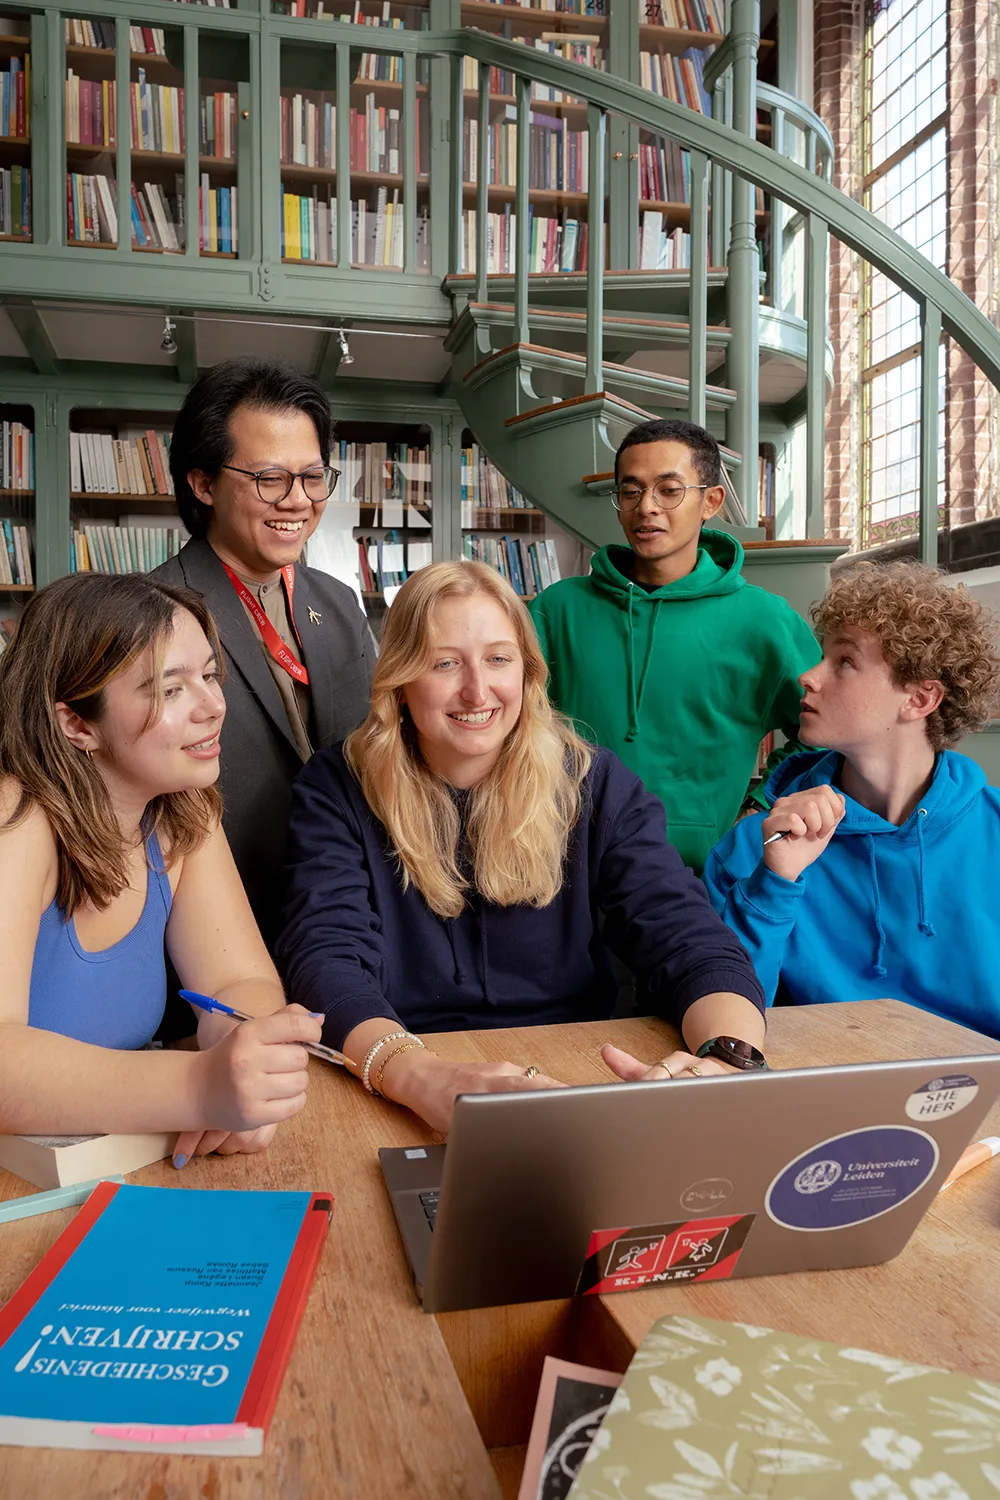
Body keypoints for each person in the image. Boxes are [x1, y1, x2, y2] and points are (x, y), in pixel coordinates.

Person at [277, 560, 767, 1133]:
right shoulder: (336, 785)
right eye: (443, 663)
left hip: (574, 1073)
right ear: (401, 680)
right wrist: (418, 1075)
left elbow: (688, 936)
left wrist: (730, 1060)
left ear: (528, 673)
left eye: (498, 659)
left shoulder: (593, 781)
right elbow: (324, 963)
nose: (477, 690)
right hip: (397, 1077)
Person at [0, 572, 322, 1164]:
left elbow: (238, 984)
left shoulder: (181, 810)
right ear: (77, 723)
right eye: (171, 690)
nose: (214, 706)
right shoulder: (14, 815)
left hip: (102, 1169)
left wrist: (244, 1055)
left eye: (208, 675)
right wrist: (200, 1090)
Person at [703, 560, 1000, 1037]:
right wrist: (775, 881)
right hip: (820, 1097)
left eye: (844, 661)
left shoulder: (995, 831)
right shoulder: (754, 847)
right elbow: (723, 1028)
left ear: (920, 699)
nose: (808, 676)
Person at [529, 418, 820, 872]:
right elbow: (510, 726)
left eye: (669, 489)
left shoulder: (766, 621)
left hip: (702, 879)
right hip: (563, 871)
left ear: (711, 502)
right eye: (631, 491)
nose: (647, 507)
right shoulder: (557, 608)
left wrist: (760, 804)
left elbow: (826, 737)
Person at [152, 357, 376, 946]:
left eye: (312, 476)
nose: (297, 501)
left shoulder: (340, 601)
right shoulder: (152, 611)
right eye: (269, 479)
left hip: (345, 913)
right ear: (202, 483)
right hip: (216, 924)